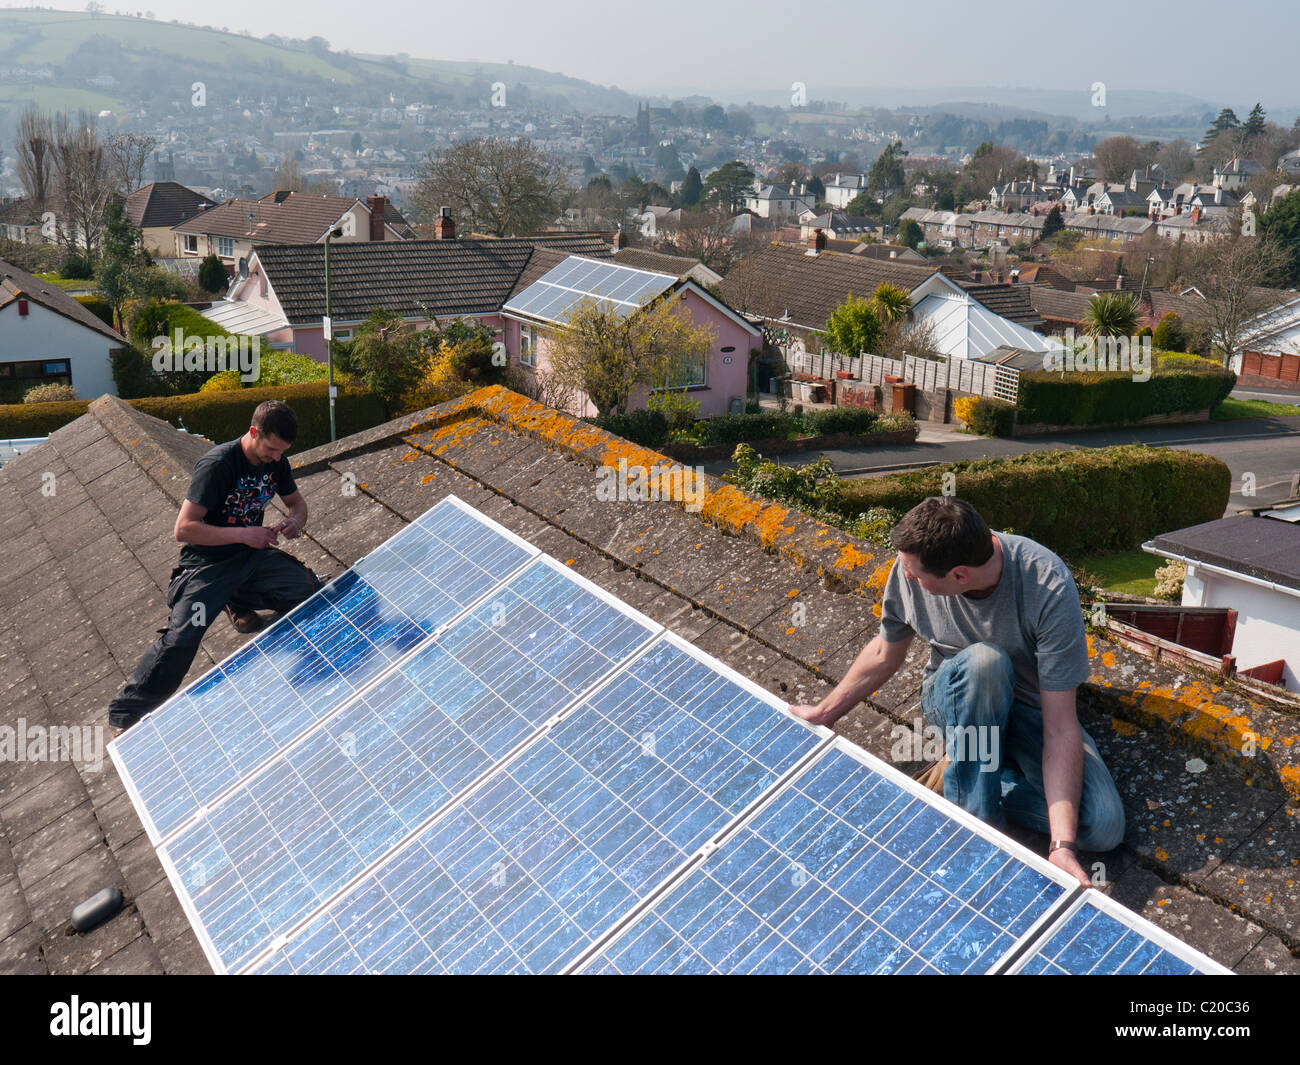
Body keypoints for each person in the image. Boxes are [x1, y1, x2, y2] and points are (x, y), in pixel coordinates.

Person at [790, 496, 1125, 887]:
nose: (906, 576)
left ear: (960, 576)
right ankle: (976, 825)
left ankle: (966, 776)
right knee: (986, 663)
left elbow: (1060, 727)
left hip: (1028, 712)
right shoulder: (912, 561)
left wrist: (1061, 846)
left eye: (916, 575)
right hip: (956, 695)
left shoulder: (1045, 584)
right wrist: (825, 712)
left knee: (1102, 827)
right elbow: (884, 651)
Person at [107, 400, 322, 731]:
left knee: (310, 591)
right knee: (182, 639)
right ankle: (127, 710)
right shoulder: (217, 465)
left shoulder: (276, 463)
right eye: (271, 449)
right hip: (207, 565)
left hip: (251, 558)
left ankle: (235, 597)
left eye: (282, 452)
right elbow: (184, 529)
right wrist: (243, 534)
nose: (276, 457)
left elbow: (297, 504)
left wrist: (295, 521)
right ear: (253, 432)